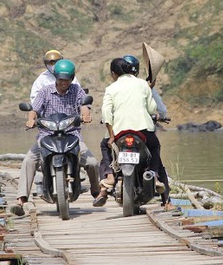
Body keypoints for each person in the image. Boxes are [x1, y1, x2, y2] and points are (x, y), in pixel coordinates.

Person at [12, 59, 100, 216]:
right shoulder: (45, 91)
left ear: (72, 78)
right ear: (56, 77)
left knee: (92, 163)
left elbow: (84, 106)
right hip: (47, 135)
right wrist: (31, 119)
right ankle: (21, 200)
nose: (63, 82)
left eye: (66, 79)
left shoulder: (77, 90)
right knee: (29, 160)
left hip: (72, 135)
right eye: (60, 79)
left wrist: (86, 115)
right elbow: (35, 109)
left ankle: (96, 192)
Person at [95, 57, 170, 208]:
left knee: (105, 147)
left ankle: (109, 177)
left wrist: (111, 136)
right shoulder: (143, 84)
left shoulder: (111, 88)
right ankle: (157, 181)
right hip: (142, 130)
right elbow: (151, 108)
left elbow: (106, 113)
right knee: (155, 148)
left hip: (119, 132)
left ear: (114, 73)